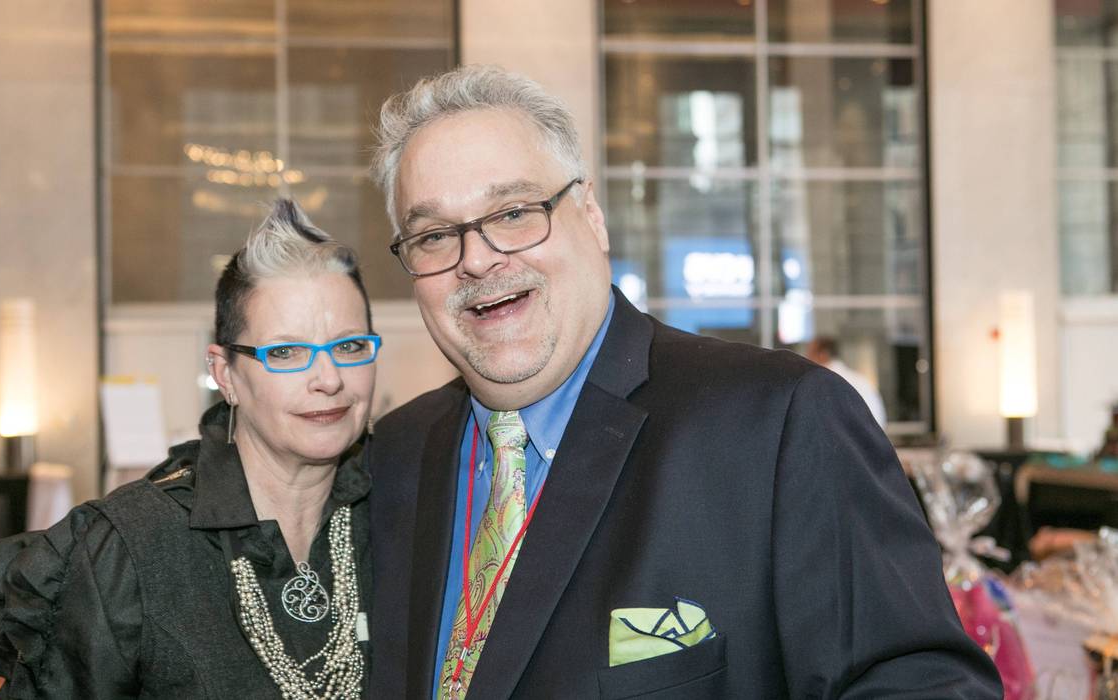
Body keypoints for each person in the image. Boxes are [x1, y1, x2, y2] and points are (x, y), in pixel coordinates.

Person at [366, 65, 1002, 698]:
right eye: (433, 236)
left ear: (591, 215)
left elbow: (925, 686)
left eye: (512, 212)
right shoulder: (396, 453)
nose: (476, 258)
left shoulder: (777, 424)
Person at [0, 200, 378, 699]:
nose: (329, 379)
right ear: (225, 373)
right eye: (285, 353)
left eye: (350, 346)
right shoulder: (130, 546)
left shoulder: (398, 513)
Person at [805, 336, 888, 428]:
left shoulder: (821, 382)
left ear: (822, 355)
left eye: (810, 353)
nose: (806, 358)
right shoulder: (860, 380)